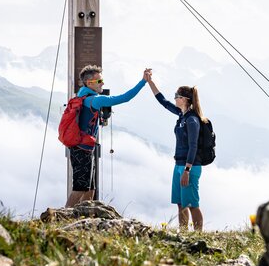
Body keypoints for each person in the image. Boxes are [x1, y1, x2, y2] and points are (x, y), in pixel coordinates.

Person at [66, 64, 150, 208]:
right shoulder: (96, 100)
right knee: (80, 188)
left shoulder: (82, 95)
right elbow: (125, 98)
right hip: (83, 150)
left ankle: (87, 218)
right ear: (89, 83)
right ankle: (62, 218)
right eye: (99, 81)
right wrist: (143, 82)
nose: (102, 83)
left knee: (90, 188)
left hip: (81, 148)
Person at [145, 71, 207, 231]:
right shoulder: (182, 115)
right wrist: (149, 82)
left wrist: (187, 170)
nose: (174, 98)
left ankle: (198, 235)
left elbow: (193, 146)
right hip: (179, 164)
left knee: (192, 203)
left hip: (190, 167)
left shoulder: (192, 119)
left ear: (184, 99)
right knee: (181, 203)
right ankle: (184, 233)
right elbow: (163, 102)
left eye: (176, 96)